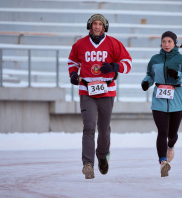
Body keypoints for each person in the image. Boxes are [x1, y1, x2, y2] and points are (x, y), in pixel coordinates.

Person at [68, 14, 132, 179]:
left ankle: (102, 155)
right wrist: (73, 74)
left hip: (106, 90)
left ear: (104, 27)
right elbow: (72, 62)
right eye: (94, 24)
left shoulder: (113, 43)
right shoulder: (80, 44)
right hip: (87, 90)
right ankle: (88, 165)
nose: (97, 27)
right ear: (90, 26)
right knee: (89, 127)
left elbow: (128, 63)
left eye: (99, 24)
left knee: (103, 129)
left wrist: (114, 66)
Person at [141, 31, 182, 177]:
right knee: (162, 132)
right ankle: (163, 162)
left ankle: (170, 146)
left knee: (172, 135)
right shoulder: (154, 59)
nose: (166, 44)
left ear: (175, 43)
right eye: (164, 41)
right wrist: (146, 82)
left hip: (176, 101)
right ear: (161, 43)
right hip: (159, 101)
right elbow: (150, 75)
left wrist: (178, 75)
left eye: (169, 42)